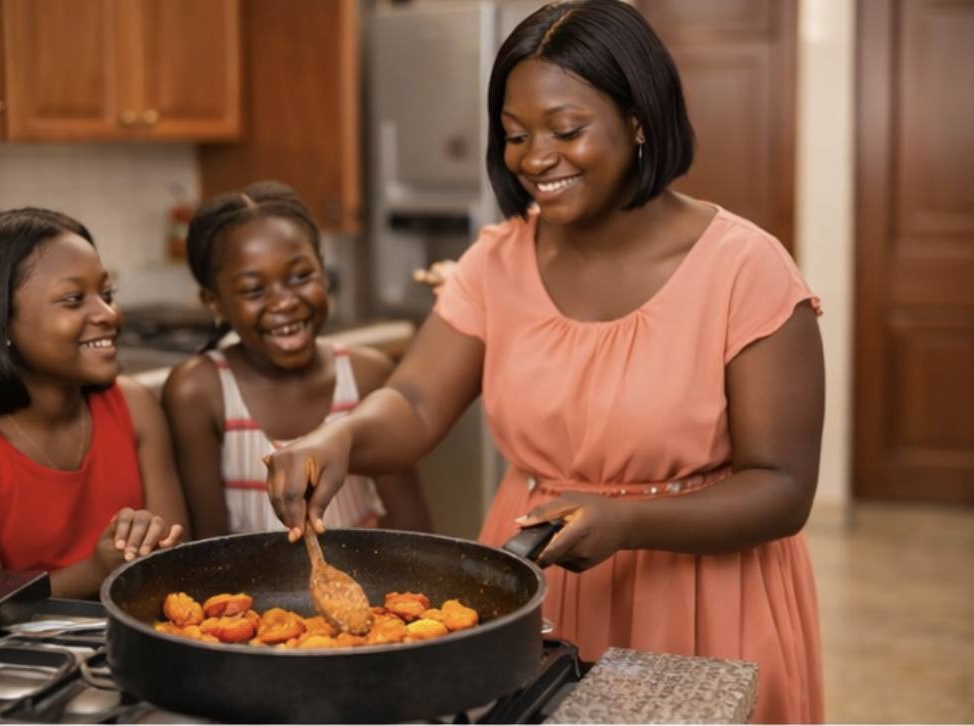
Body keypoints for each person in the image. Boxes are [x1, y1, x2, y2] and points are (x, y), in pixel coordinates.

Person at [264, 1, 826, 722]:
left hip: (705, 598)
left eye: (566, 130)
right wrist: (335, 437)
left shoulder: (745, 268)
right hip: (541, 584)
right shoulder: (498, 259)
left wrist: (625, 521)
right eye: (515, 135)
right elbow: (416, 402)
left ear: (639, 119)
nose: (535, 159)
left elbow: (782, 488)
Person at [0, 208, 189, 599]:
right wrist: (93, 572)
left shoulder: (134, 406)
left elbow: (181, 566)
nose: (108, 313)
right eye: (74, 299)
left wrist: (155, 543)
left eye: (107, 294)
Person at [160, 180, 433, 539]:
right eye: (254, 289)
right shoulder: (198, 392)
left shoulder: (367, 375)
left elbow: (412, 529)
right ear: (214, 302)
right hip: (250, 592)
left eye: (301, 276)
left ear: (322, 269)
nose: (285, 302)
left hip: (367, 587)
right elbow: (209, 547)